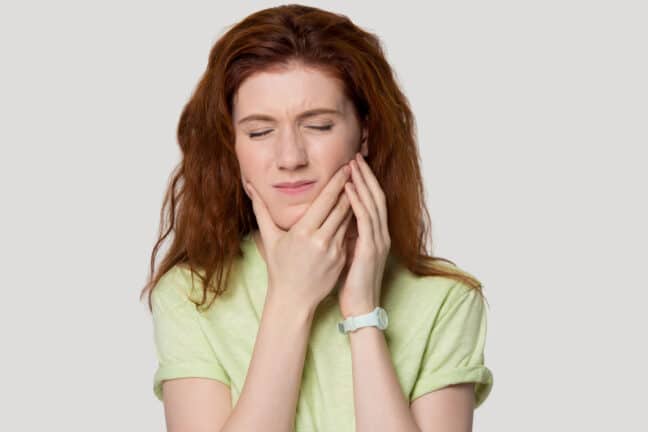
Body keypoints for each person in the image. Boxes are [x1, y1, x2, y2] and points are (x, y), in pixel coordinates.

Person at [140, 4, 493, 432]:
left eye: (319, 126)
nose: (290, 158)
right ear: (231, 144)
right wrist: (290, 300)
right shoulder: (193, 294)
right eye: (259, 131)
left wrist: (363, 314)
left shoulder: (445, 300)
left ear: (363, 132)